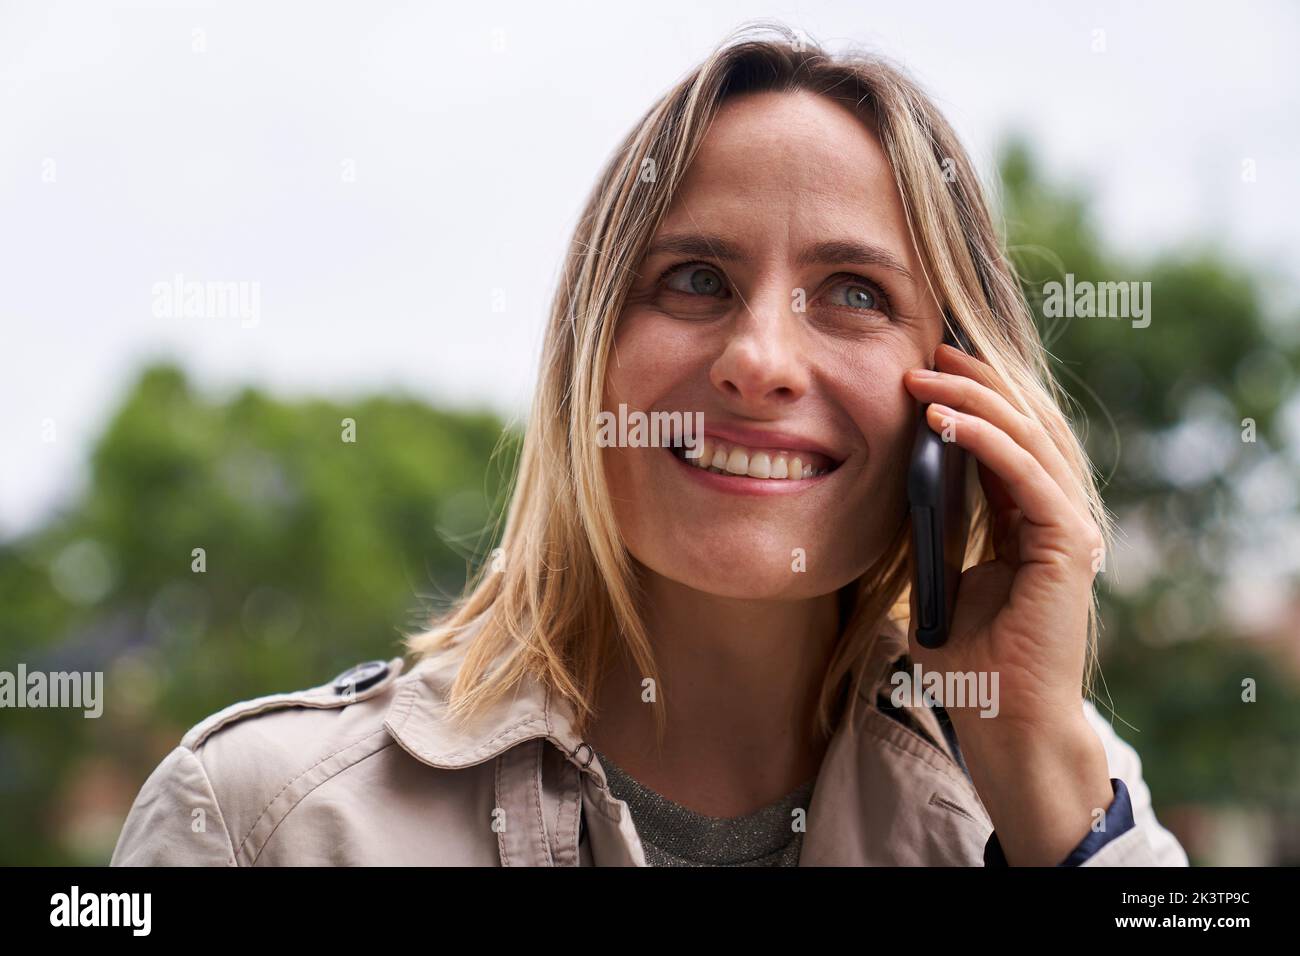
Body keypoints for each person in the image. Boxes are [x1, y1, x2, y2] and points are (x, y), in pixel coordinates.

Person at [111, 24, 1189, 867]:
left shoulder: (1066, 792)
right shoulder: (257, 818)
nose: (759, 358)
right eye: (696, 280)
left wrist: (1043, 787)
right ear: (586, 358)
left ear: (962, 402)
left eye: (853, 293)